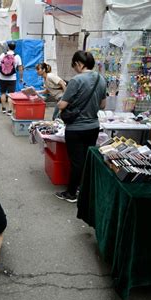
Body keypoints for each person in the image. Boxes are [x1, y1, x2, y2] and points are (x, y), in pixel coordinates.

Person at [55, 51, 107, 203]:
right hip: (93, 127)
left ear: (79, 63)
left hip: (76, 128)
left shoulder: (77, 80)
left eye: (74, 65)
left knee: (77, 162)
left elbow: (62, 104)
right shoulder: (101, 79)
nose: (74, 69)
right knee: (86, 160)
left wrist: (60, 102)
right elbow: (103, 105)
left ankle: (72, 193)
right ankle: (84, 189)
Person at [0, 42, 23, 115]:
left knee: (3, 93)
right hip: (12, 78)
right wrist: (21, 78)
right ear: (14, 48)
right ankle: (9, 110)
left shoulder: (3, 55)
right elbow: (20, 68)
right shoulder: (17, 56)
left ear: (8, 47)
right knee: (11, 94)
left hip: (2, 77)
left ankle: (3, 109)